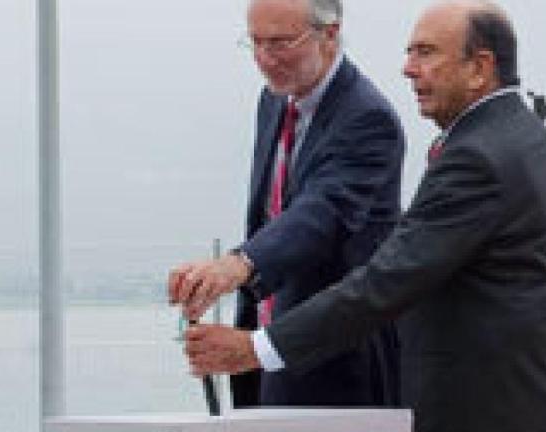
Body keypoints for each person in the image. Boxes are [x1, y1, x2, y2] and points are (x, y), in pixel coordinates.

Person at [180, 2, 546, 432]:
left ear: (480, 66)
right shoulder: (507, 136)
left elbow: (385, 280)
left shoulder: (480, 156)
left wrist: (256, 348)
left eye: (426, 53)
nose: (408, 69)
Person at [168, 0, 405, 408]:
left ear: (329, 34)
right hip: (263, 359)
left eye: (280, 44)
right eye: (255, 43)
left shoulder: (368, 118)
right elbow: (270, 216)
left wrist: (239, 265)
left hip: (336, 370)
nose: (264, 59)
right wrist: (219, 282)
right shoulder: (274, 101)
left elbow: (319, 215)